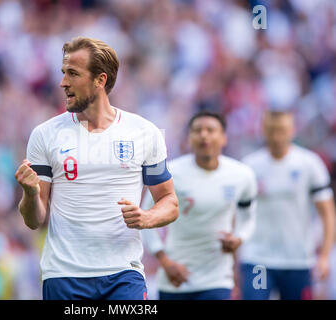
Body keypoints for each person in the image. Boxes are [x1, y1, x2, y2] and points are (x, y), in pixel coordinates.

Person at [14, 37, 179, 300]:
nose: (63, 82)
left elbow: (170, 201)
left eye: (73, 74)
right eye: (63, 73)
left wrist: (147, 218)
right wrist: (31, 194)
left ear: (100, 80)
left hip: (124, 274)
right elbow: (34, 220)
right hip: (64, 276)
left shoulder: (144, 133)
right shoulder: (45, 135)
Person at [142, 110, 257, 300]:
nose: (204, 135)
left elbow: (248, 216)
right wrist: (164, 260)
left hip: (217, 279)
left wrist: (239, 238)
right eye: (197, 130)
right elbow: (147, 217)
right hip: (175, 278)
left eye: (211, 130)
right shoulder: (170, 172)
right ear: (189, 138)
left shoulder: (242, 175)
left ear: (224, 138)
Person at [238, 110, 336, 300]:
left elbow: (327, 212)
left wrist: (324, 256)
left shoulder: (310, 164)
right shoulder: (249, 166)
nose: (276, 136)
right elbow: (237, 214)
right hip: (258, 259)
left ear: (292, 130)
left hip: (298, 259)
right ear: (263, 130)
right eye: (271, 130)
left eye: (281, 130)